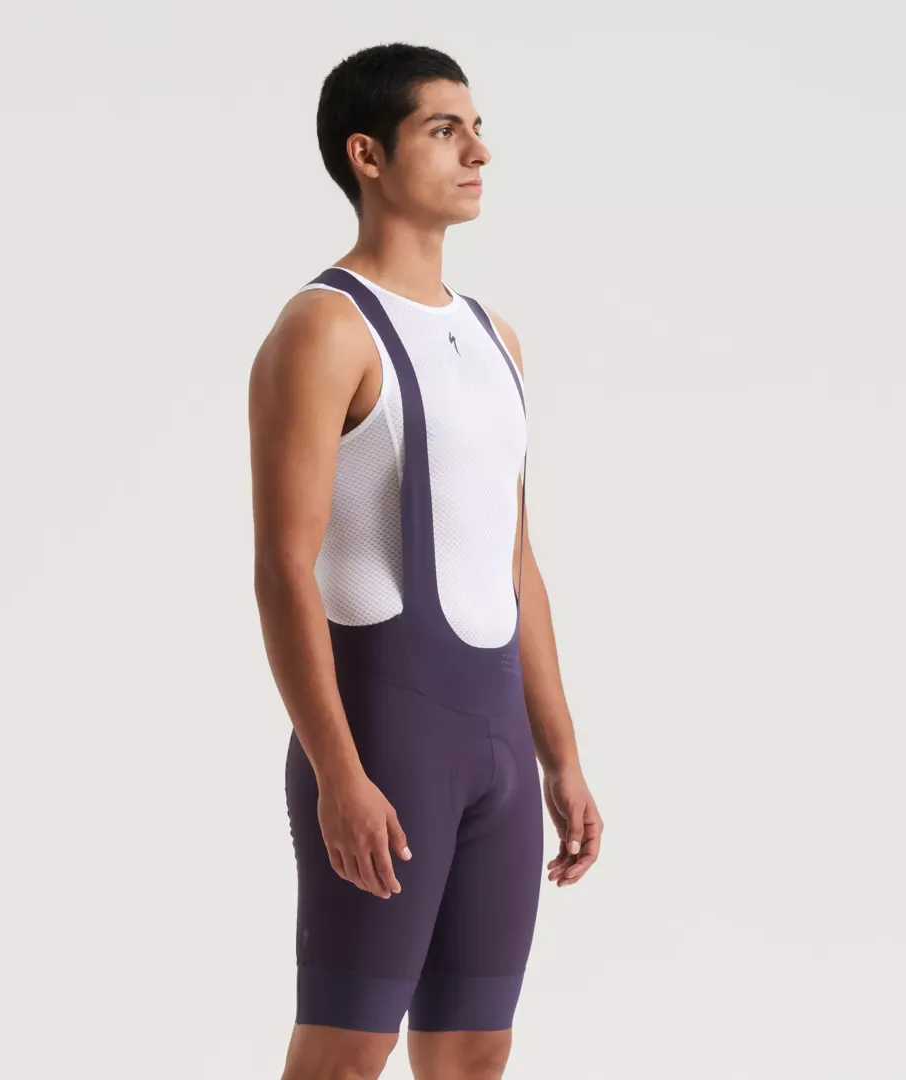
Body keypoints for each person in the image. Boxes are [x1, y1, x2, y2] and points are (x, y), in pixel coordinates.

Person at [247, 43, 603, 1080]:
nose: (478, 152)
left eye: (477, 128)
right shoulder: (325, 329)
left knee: (475, 1053)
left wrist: (560, 756)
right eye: (445, 131)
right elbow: (282, 568)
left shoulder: (496, 340)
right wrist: (338, 772)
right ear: (367, 154)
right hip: (385, 744)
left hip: (497, 748)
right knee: (347, 1051)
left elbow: (517, 564)